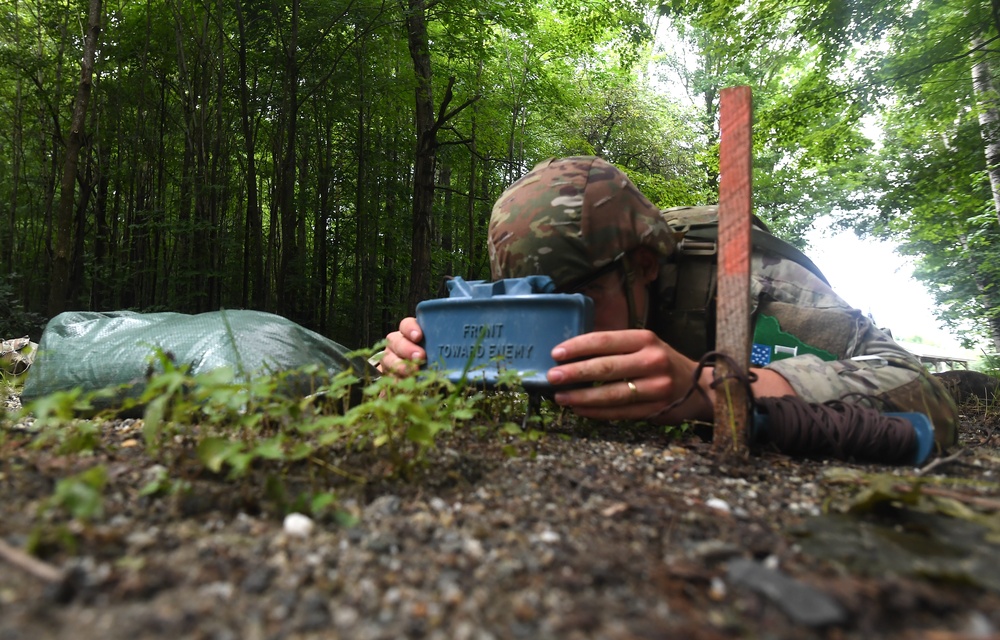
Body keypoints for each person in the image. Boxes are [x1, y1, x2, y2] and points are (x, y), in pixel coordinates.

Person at [382, 156, 958, 451]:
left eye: (579, 298)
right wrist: (407, 365)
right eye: (530, 302)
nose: (551, 325)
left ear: (645, 266)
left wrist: (710, 390)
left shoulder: (745, 285)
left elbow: (922, 392)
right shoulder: (531, 302)